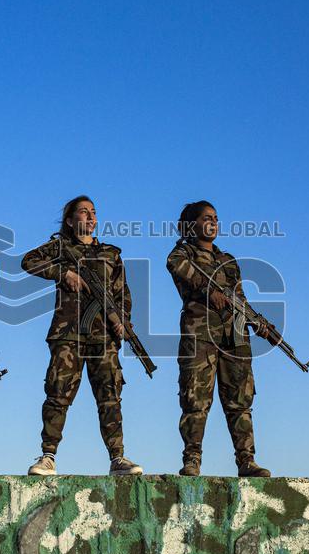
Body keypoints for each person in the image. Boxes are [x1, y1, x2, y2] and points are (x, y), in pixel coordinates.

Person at [21, 195, 143, 477]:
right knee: (58, 394)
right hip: (69, 333)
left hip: (103, 337)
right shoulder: (60, 248)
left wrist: (123, 321)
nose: (89, 217)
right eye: (83, 212)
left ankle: (118, 458)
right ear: (69, 220)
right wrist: (63, 273)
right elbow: (29, 261)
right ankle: (48, 456)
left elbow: (123, 294)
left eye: (93, 212)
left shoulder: (111, 254)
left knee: (110, 396)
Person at [166, 201, 272, 477]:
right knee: (195, 399)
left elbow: (239, 298)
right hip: (200, 335)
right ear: (192, 225)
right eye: (206, 218)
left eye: (215, 218)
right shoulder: (182, 254)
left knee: (240, 400)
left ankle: (246, 461)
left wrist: (258, 322)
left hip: (235, 336)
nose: (213, 222)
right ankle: (192, 459)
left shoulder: (228, 261)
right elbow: (176, 266)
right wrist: (207, 290)